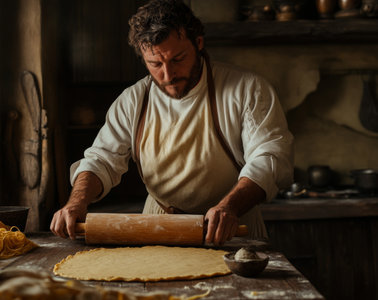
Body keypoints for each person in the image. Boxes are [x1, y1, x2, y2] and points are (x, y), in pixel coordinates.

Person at [50, 0, 293, 245]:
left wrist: (228, 207)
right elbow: (101, 159)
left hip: (231, 227)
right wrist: (76, 202)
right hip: (160, 228)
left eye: (178, 59)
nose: (167, 75)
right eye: (155, 64)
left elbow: (269, 157)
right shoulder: (133, 101)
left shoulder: (246, 89)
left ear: (198, 43)